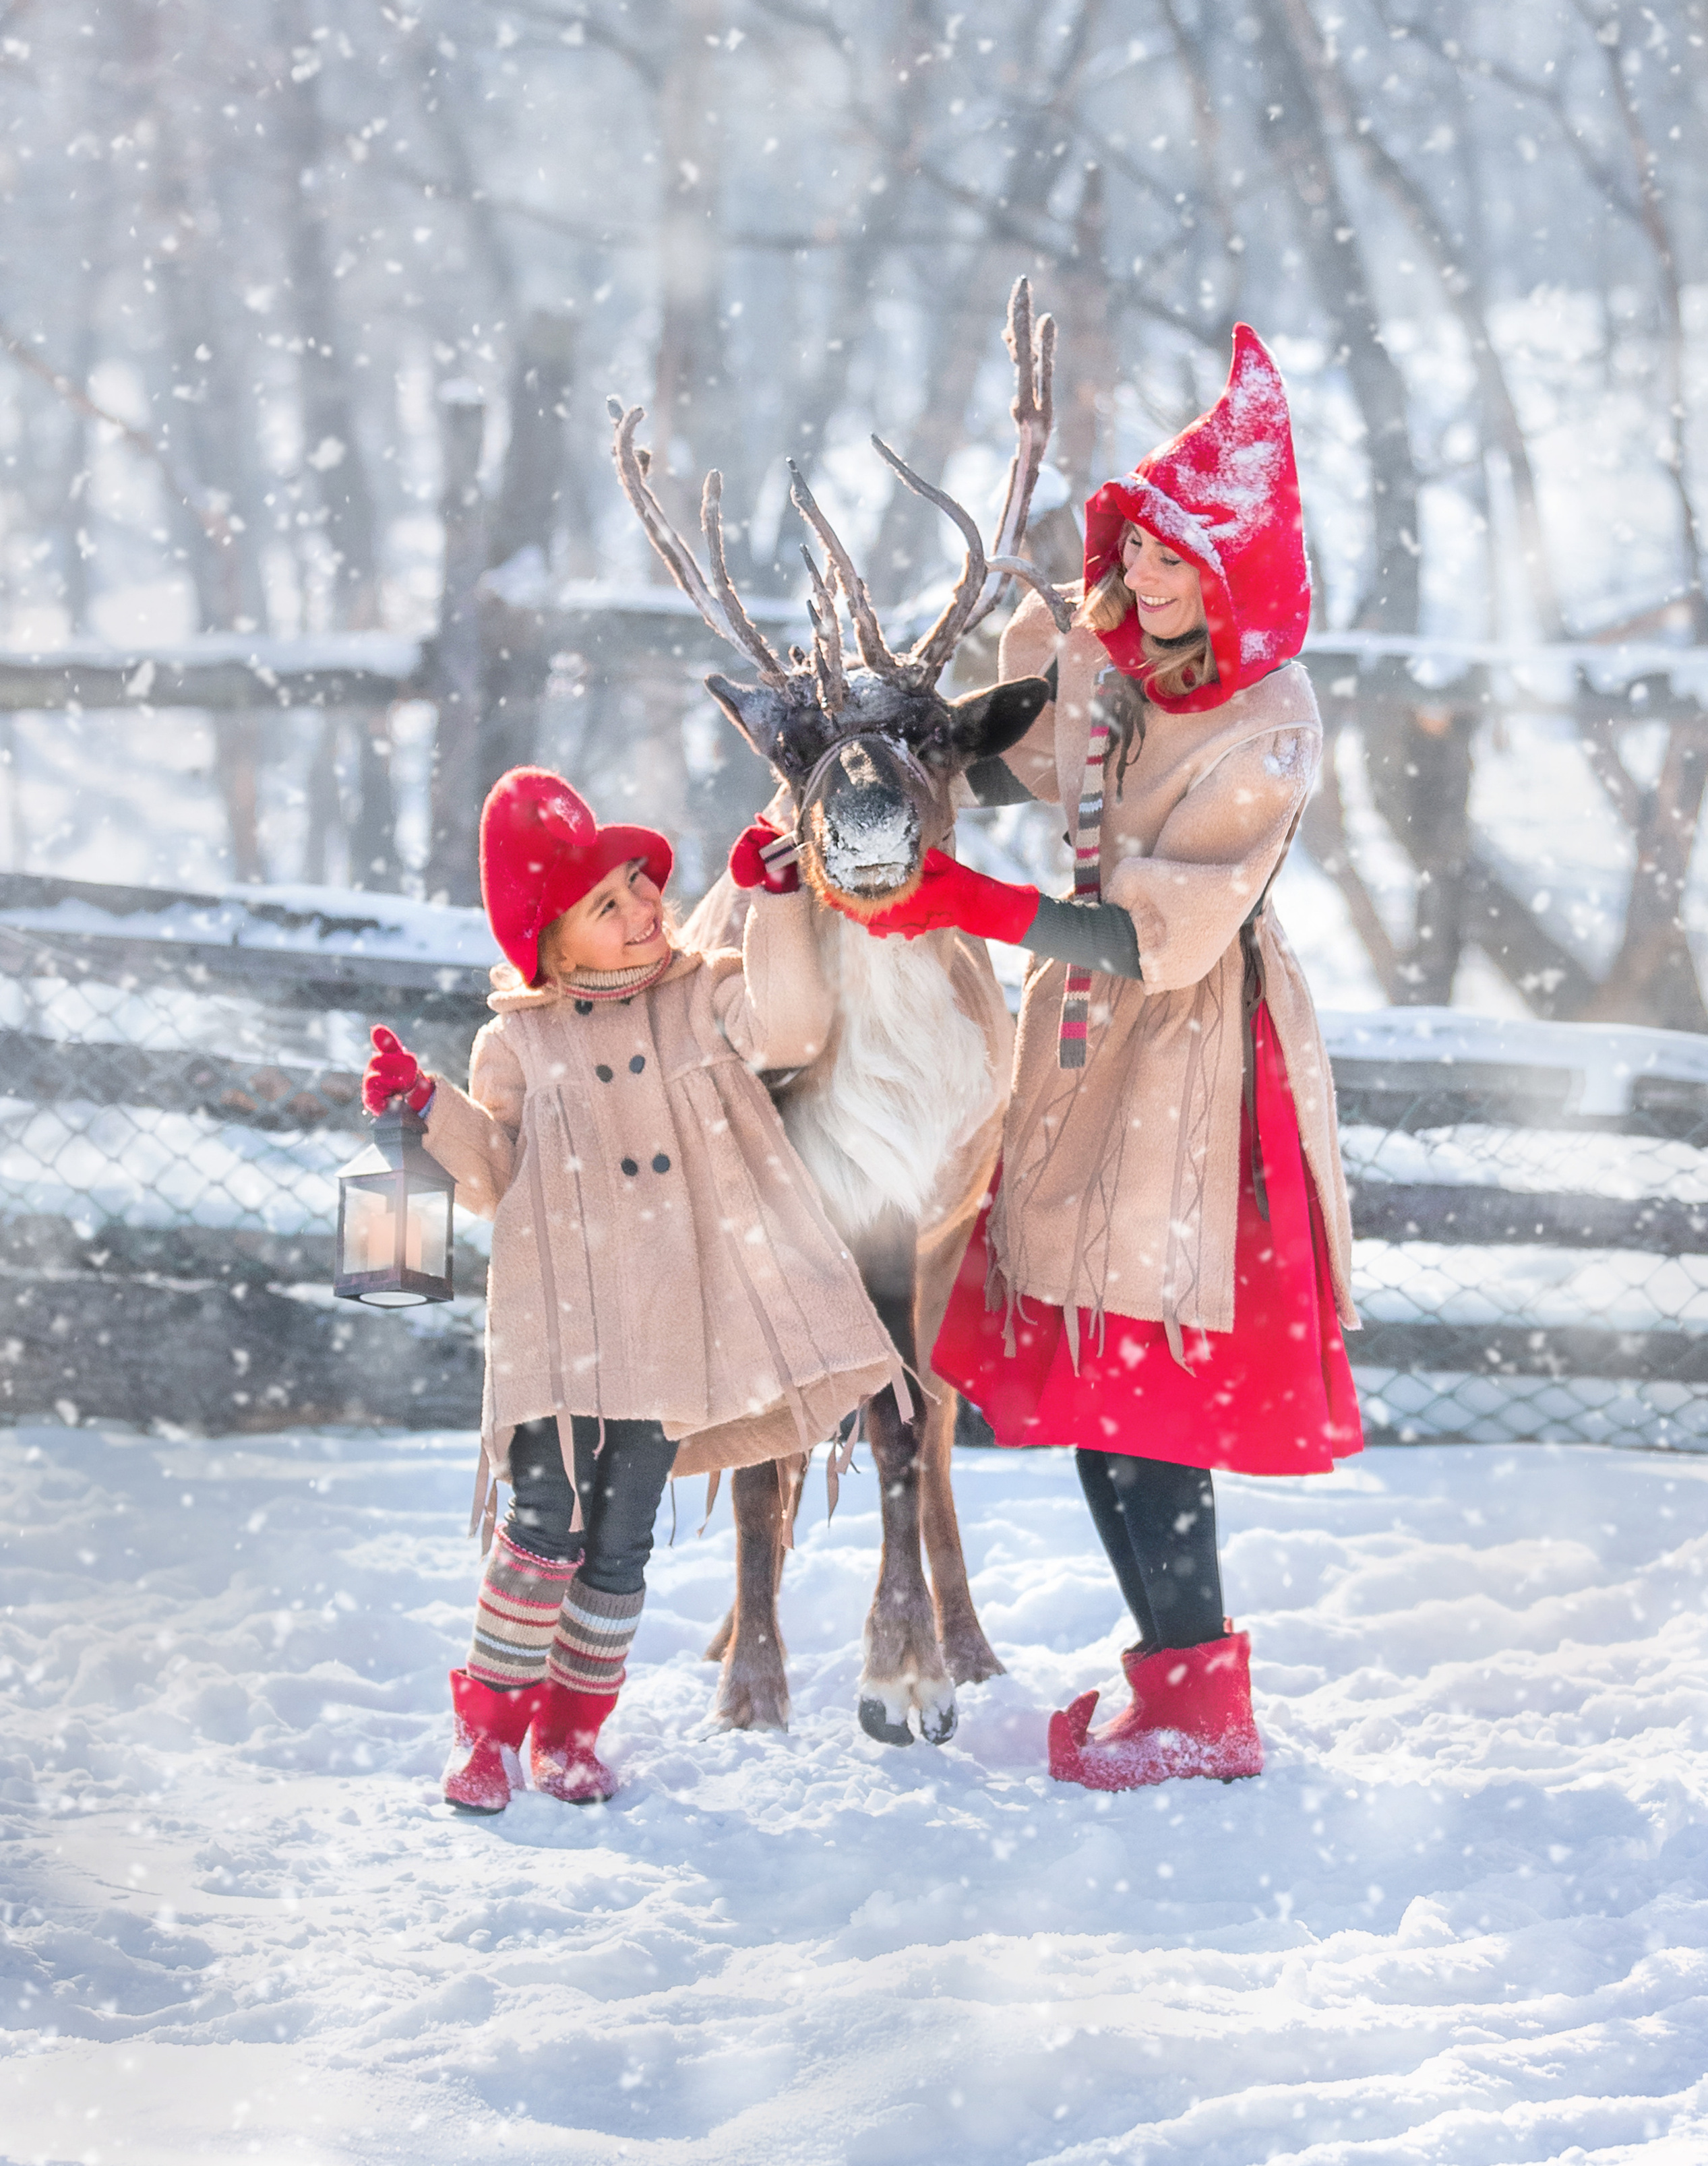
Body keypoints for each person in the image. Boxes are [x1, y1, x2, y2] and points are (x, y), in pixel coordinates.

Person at [832, 323, 1362, 1791]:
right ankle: (1176, 1687)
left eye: (1176, 558)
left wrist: (974, 905)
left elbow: (1163, 938)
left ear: (1237, 574)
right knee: (1090, 1379)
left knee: (1149, 1383)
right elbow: (1019, 767)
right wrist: (863, 791)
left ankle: (1203, 1707)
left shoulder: (1267, 720)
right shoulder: (1118, 667)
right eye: (1134, 548)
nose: (1142, 577)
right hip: (1081, 1048)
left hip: (1192, 1066)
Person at [363, 769, 904, 1814]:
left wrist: (780, 904)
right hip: (559, 1327)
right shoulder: (518, 1042)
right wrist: (427, 1111)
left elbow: (790, 1029)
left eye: (641, 886)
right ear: (550, 947)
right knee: (543, 1524)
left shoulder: (699, 1000)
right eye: (606, 905)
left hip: (666, 1328)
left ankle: (572, 1729)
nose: (644, 909)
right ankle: (489, 1729)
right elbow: (492, 1179)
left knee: (618, 1540)